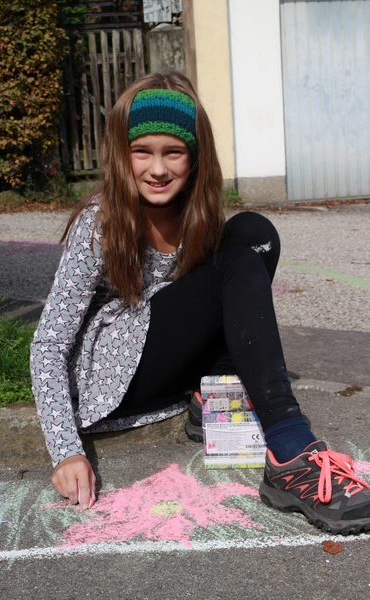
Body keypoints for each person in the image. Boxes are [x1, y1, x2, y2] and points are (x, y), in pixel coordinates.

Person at [31, 70, 370, 534]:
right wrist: (66, 450)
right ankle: (290, 454)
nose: (157, 169)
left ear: (195, 157)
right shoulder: (101, 222)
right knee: (237, 264)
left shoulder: (197, 213)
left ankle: (209, 394)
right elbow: (48, 344)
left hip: (166, 354)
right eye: (141, 151)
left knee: (253, 233)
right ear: (121, 154)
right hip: (116, 374)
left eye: (173, 152)